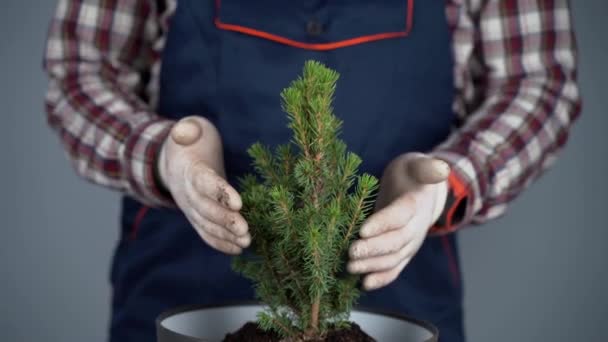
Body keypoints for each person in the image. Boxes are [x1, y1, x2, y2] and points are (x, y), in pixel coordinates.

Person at [43, 0, 581, 341]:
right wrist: (164, 152)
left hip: (399, 294)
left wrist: (443, 182)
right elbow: (81, 70)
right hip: (184, 290)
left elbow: (539, 82)